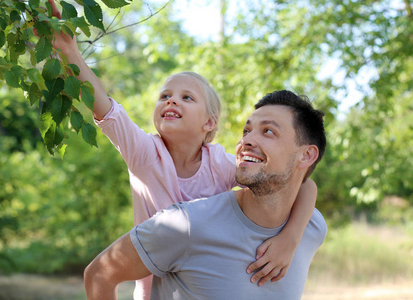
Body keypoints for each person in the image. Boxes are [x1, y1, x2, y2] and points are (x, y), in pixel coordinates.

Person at [45, 0, 318, 298]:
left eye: (187, 98)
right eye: (165, 95)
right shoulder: (145, 154)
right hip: (153, 285)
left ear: (209, 123)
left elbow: (302, 184)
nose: (171, 101)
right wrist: (70, 52)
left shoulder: (220, 165)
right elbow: (106, 108)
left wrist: (291, 237)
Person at [84, 90, 327, 300]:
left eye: (268, 132)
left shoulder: (312, 227)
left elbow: (305, 185)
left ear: (306, 156)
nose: (247, 141)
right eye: (247, 130)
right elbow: (99, 274)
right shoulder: (185, 225)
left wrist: (291, 237)